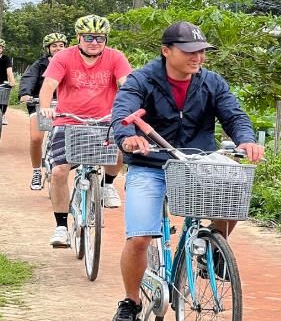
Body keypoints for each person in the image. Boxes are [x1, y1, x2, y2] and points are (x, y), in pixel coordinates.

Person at [109, 21, 264, 321]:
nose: (198, 58)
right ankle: (130, 302)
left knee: (232, 190)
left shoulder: (212, 83)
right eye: (190, 51)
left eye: (202, 52)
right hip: (150, 164)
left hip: (196, 164)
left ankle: (211, 248)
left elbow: (234, 114)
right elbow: (122, 111)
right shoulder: (142, 80)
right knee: (140, 237)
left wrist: (245, 139)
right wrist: (127, 138)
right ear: (166, 51)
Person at [39, 15, 132, 247]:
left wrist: (131, 107)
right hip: (68, 121)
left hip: (104, 120)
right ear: (79, 38)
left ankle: (108, 185)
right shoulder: (63, 57)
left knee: (122, 145)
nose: (94, 42)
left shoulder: (115, 57)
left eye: (100, 38)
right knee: (60, 171)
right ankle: (61, 226)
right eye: (89, 37)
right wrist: (44, 108)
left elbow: (126, 83)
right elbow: (48, 85)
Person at [19, 32, 67, 190]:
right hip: (40, 103)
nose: (58, 48)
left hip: (65, 105)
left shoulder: (72, 62)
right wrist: (25, 93)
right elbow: (29, 78)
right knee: (36, 138)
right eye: (54, 46)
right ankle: (36, 172)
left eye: (61, 45)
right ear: (48, 49)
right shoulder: (39, 64)